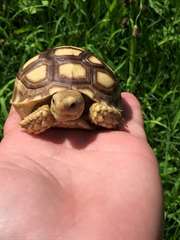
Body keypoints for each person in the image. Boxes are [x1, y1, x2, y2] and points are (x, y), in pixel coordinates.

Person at [0, 92, 163, 239]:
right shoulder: (48, 110)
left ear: (82, 103)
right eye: (55, 102)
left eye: (72, 105)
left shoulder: (94, 108)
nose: (60, 108)